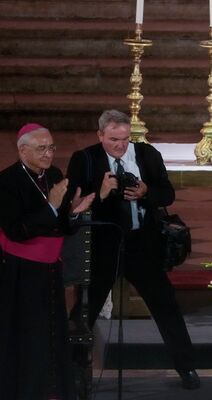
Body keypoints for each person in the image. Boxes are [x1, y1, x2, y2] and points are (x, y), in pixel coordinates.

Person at [64, 110, 201, 390]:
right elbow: (72, 207)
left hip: (142, 244)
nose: (120, 145)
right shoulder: (85, 159)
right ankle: (71, 370)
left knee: (166, 306)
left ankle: (186, 367)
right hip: (103, 248)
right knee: (84, 312)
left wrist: (145, 193)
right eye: (114, 139)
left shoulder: (147, 155)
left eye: (125, 139)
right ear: (100, 135)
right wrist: (100, 194)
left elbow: (168, 194)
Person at [0, 123, 94, 400]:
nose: (48, 154)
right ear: (22, 150)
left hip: (51, 271)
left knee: (52, 335)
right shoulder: (5, 183)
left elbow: (60, 226)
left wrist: (74, 213)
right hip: (20, 275)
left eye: (51, 147)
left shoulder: (52, 175)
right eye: (41, 148)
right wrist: (52, 206)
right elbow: (17, 231)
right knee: (28, 338)